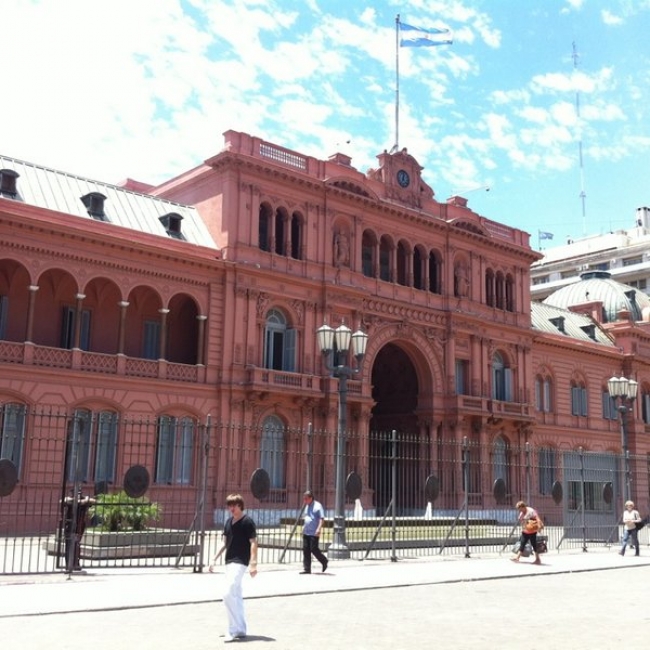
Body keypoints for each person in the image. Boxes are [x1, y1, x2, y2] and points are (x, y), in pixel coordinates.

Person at [209, 494, 258, 643]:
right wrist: (213, 559)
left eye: (234, 505)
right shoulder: (228, 522)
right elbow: (224, 543)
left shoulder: (247, 522)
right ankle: (241, 628)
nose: (231, 508)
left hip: (241, 561)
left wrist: (253, 563)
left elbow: (254, 542)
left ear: (240, 505)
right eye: (229, 505)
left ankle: (233, 629)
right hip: (229, 561)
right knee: (235, 595)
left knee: (227, 593)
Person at [62, 490, 95, 571]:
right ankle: (68, 565)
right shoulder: (69, 501)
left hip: (79, 526)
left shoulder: (83, 502)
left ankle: (76, 564)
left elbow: (93, 501)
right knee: (69, 545)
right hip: (69, 526)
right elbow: (64, 501)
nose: (77, 495)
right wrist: (78, 501)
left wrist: (85, 499)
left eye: (79, 494)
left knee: (77, 545)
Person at [300, 490, 328, 574]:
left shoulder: (318, 506)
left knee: (314, 549)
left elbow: (321, 519)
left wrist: (318, 529)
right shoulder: (307, 506)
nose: (304, 501)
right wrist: (303, 527)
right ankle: (307, 568)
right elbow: (307, 517)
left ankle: (324, 561)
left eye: (306, 499)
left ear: (311, 498)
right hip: (306, 531)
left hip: (314, 532)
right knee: (306, 550)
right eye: (304, 499)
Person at [511, 500, 543, 565]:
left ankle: (538, 559)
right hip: (525, 531)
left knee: (534, 545)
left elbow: (538, 519)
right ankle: (517, 557)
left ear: (523, 507)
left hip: (532, 531)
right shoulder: (522, 513)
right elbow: (521, 520)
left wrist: (539, 527)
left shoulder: (531, 511)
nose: (519, 511)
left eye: (520, 509)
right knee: (522, 543)